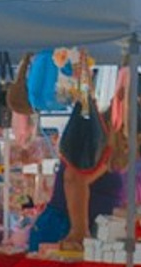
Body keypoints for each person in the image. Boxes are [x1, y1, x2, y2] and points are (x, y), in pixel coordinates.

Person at [27, 90, 127, 251]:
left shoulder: (108, 145)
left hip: (85, 230)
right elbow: (74, 179)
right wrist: (80, 231)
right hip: (64, 229)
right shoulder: (99, 141)